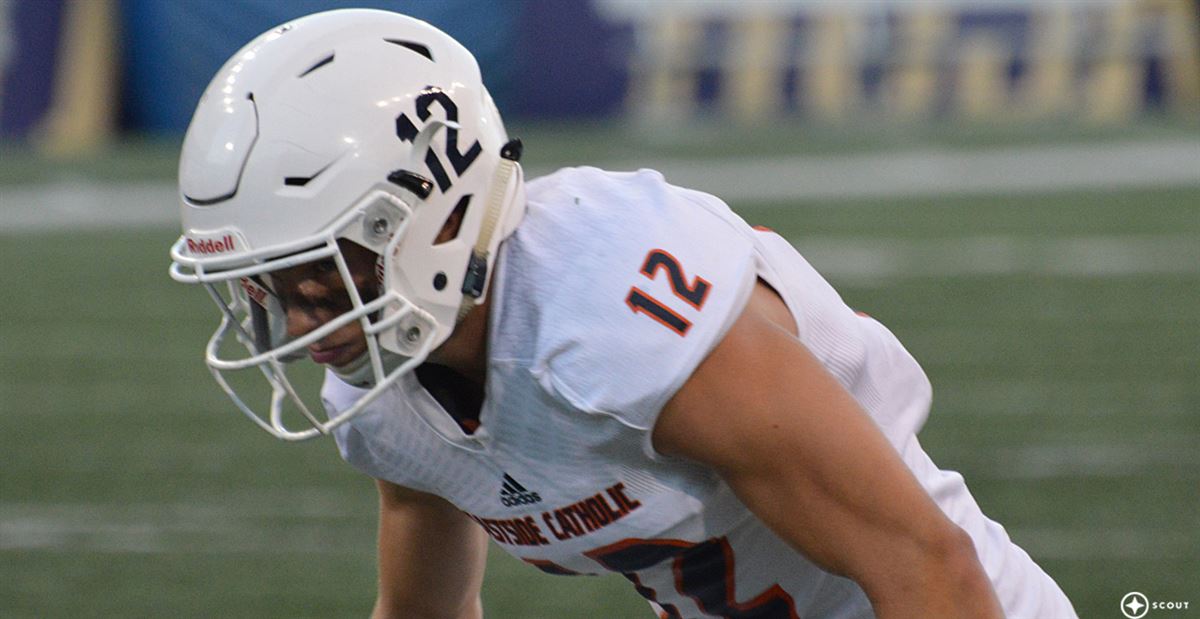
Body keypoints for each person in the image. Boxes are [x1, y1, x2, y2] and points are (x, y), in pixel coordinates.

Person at [169, 9, 1077, 619]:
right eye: (271, 284)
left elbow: (928, 566)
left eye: (321, 275)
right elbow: (421, 590)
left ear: (435, 213)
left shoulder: (613, 313)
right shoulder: (386, 389)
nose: (300, 323)